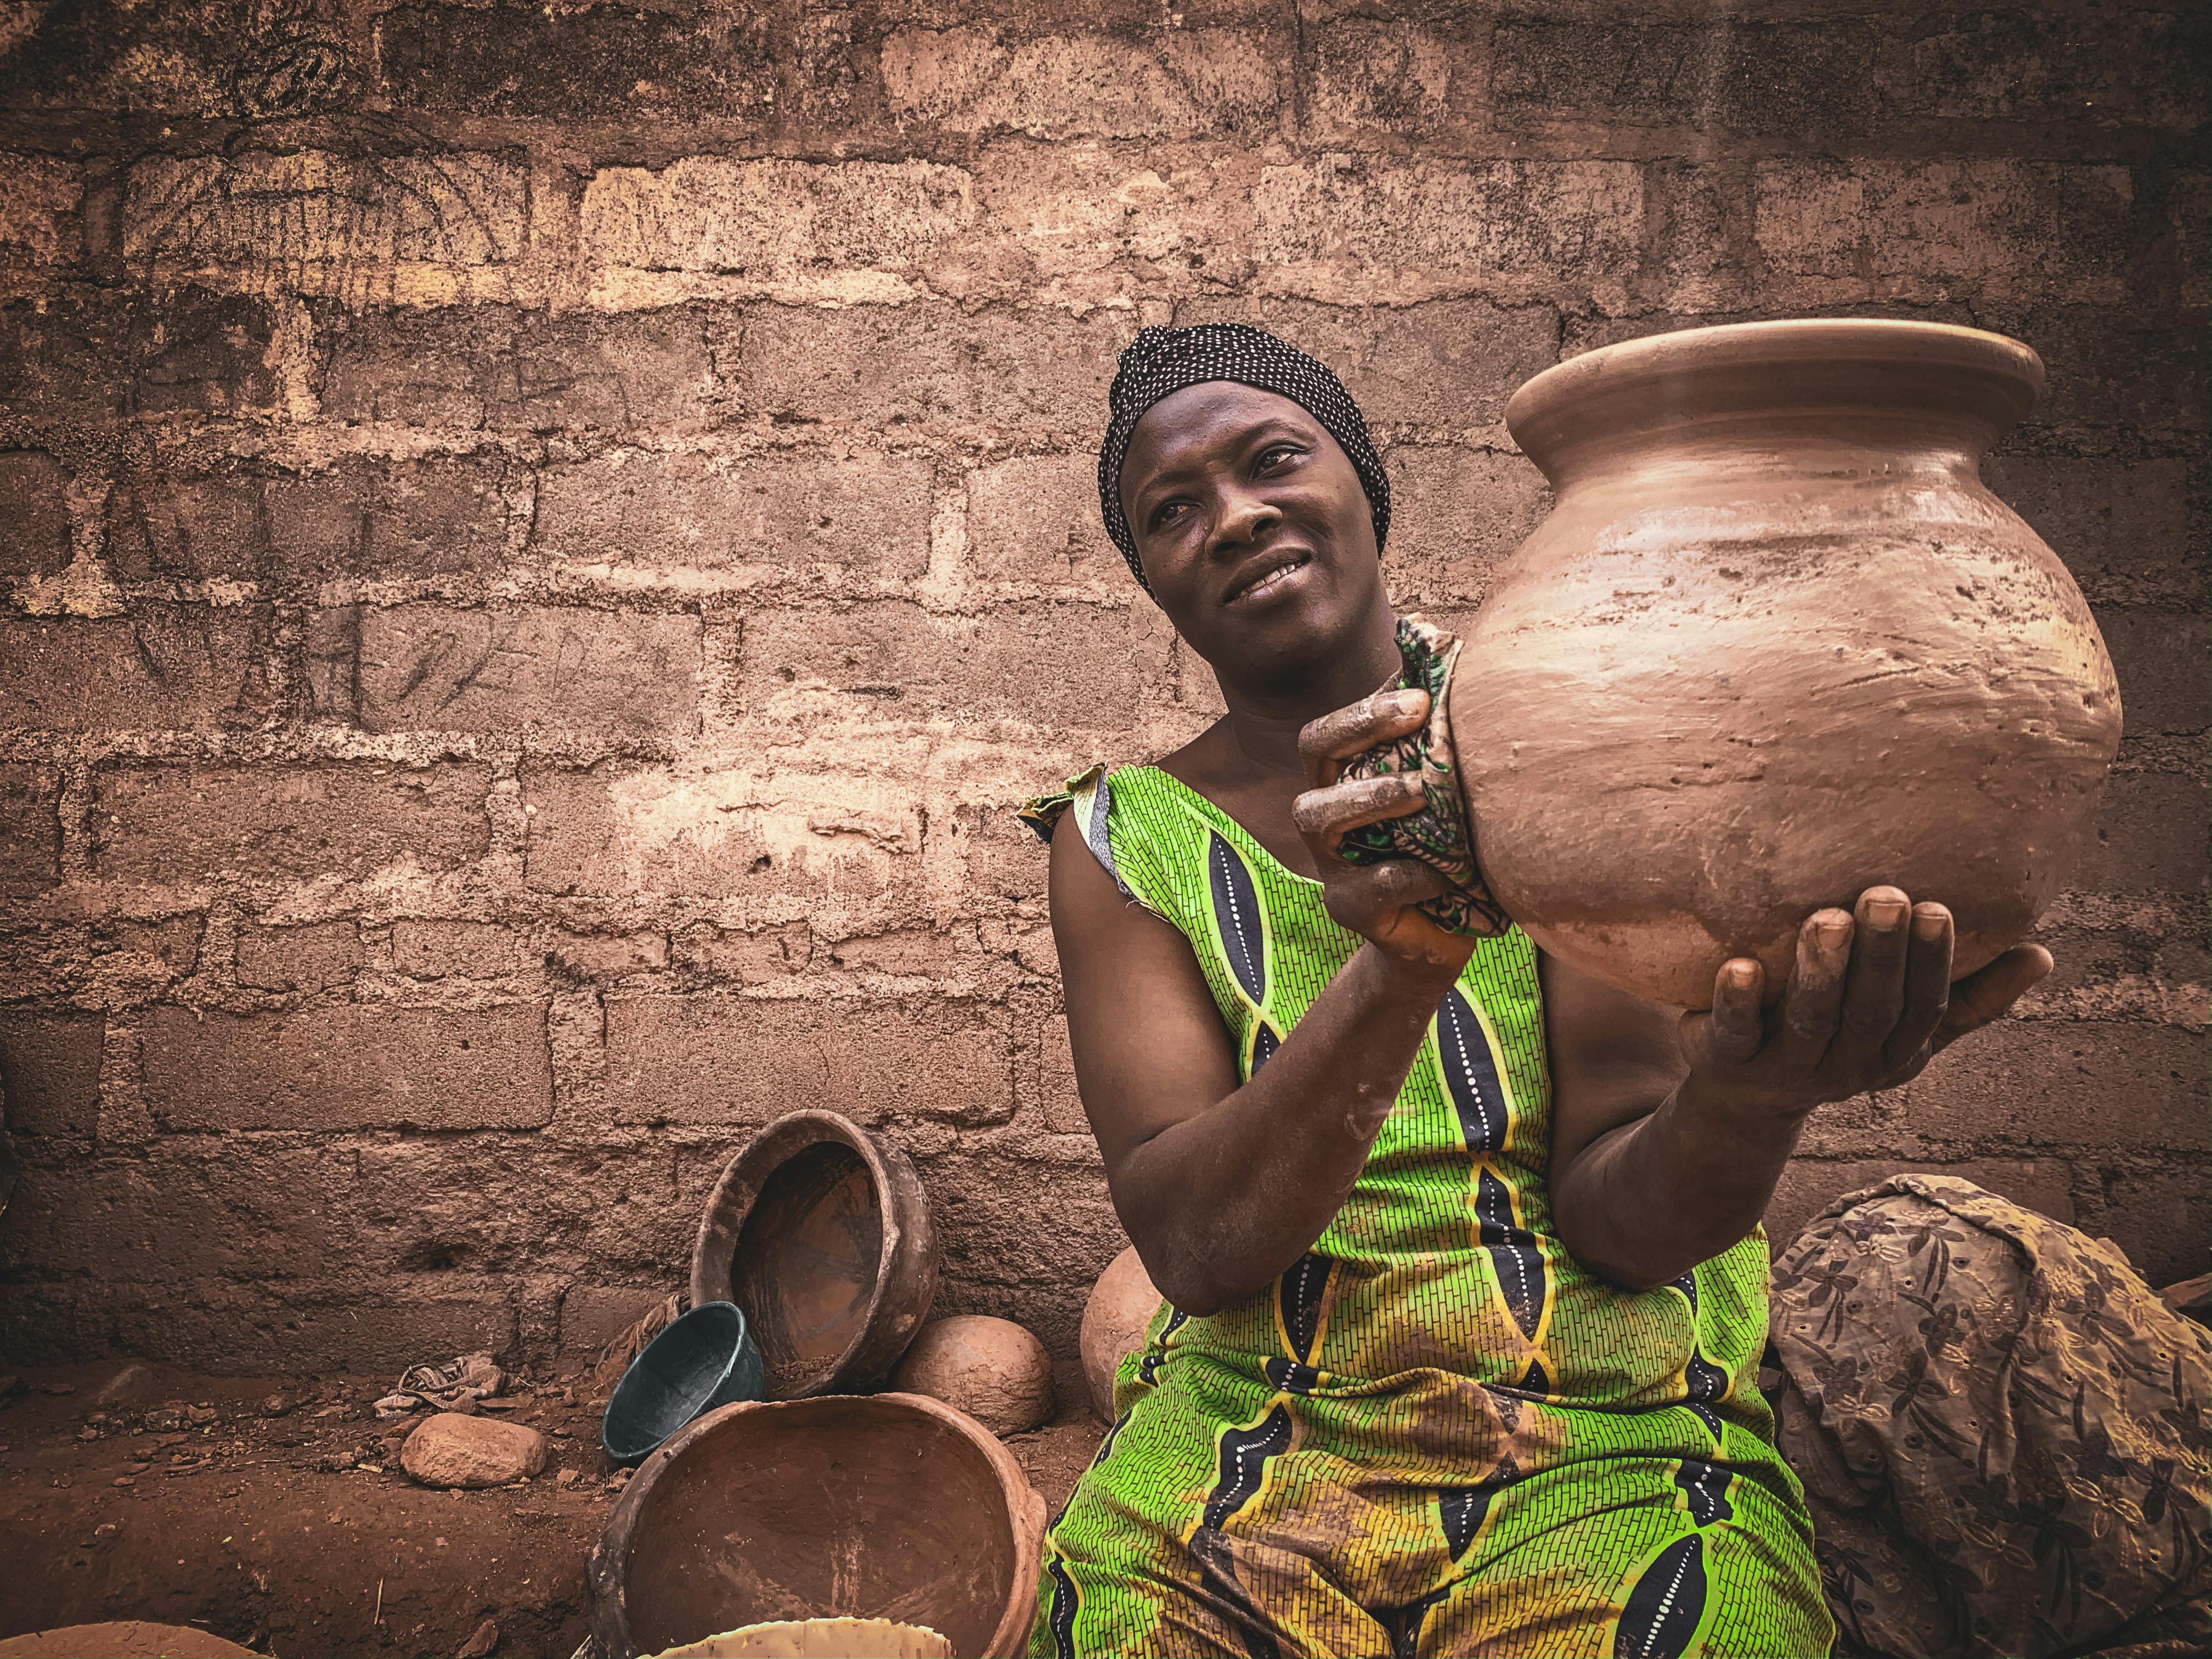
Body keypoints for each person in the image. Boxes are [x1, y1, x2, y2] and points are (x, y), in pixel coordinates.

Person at [1018, 323, 2055, 1658]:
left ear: (1361, 485)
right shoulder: (1116, 842)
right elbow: (1196, 1249)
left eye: (1275, 459)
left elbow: (1623, 1220)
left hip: (1600, 1437)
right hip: (1263, 1433)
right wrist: (1406, 960)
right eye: (1172, 512)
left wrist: (1748, 1100)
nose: (1234, 516)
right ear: (1151, 577)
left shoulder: (1568, 746)